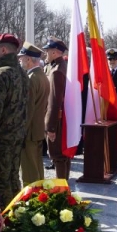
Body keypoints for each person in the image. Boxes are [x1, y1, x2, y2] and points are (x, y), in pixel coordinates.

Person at [0, 33, 29, 207]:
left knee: (0, 180)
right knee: (13, 177)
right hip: (17, 136)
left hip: (2, 138)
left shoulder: (1, 75)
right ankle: (17, 213)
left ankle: (5, 217)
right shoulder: (22, 73)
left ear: (4, 50)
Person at [18, 42, 50, 185]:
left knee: (29, 170)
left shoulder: (31, 79)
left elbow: (28, 109)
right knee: (37, 167)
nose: (20, 60)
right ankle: (40, 194)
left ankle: (32, 196)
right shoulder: (42, 75)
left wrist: (22, 131)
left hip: (29, 131)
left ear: (29, 59)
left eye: (22, 58)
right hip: (38, 128)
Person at [43, 38, 71, 178]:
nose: (45, 53)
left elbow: (54, 101)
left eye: (47, 51)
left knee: (58, 155)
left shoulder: (57, 71)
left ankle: (61, 187)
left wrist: (51, 127)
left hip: (57, 119)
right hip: (63, 118)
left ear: (54, 52)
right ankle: (64, 185)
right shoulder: (61, 66)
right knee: (64, 155)